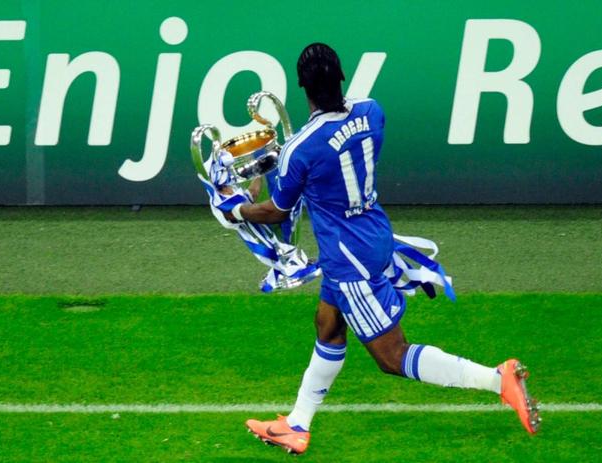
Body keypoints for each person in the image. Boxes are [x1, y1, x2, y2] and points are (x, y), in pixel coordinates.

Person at [222, 43, 540, 455]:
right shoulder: (371, 112)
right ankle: (297, 424)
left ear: (302, 87)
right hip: (373, 234)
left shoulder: (302, 149)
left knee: (392, 356)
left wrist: (235, 209)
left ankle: (498, 379)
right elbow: (333, 153)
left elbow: (277, 213)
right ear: (341, 76)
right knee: (328, 325)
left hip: (349, 258)